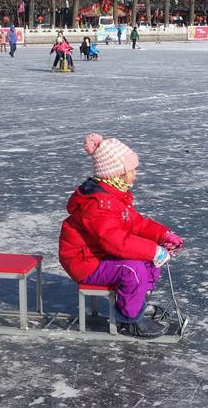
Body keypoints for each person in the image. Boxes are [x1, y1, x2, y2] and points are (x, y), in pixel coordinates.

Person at [58, 133, 184, 339]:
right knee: (131, 268)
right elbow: (114, 242)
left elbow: (137, 223)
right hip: (85, 262)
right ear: (115, 174)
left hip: (101, 256)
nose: (135, 174)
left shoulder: (115, 197)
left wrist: (163, 235)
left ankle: (137, 302)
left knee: (148, 261)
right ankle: (129, 320)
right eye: (131, 170)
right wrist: (153, 250)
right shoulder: (98, 204)